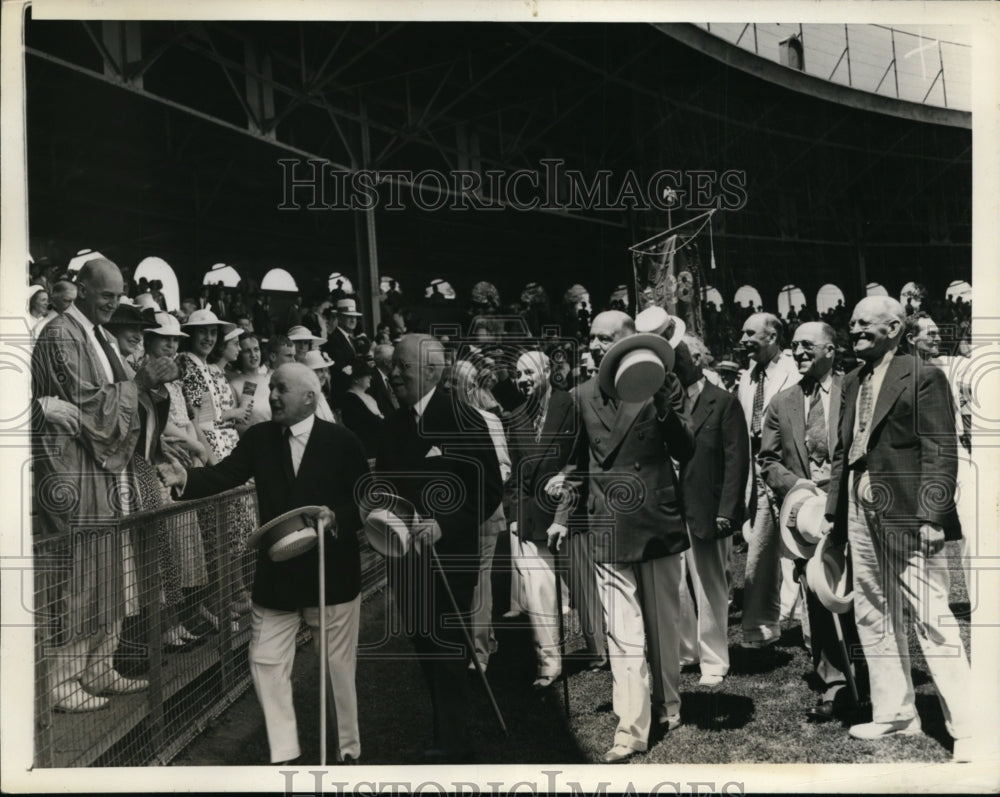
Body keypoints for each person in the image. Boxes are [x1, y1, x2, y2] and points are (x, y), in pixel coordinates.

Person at [158, 363, 369, 764]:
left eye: (281, 389)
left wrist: (337, 516)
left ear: (310, 397)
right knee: (264, 660)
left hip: (333, 575)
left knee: (337, 669)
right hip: (277, 574)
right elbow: (223, 476)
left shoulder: (343, 441)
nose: (272, 395)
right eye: (271, 387)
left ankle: (346, 752)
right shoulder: (259, 438)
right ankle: (285, 754)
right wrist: (184, 479)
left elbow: (365, 499)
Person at [822, 297, 973, 762]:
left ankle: (969, 725)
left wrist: (932, 516)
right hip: (858, 503)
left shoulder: (923, 374)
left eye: (865, 323)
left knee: (931, 616)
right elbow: (844, 450)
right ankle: (896, 713)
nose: (855, 330)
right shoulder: (851, 380)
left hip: (907, 509)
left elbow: (939, 449)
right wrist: (834, 513)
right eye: (851, 324)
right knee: (872, 608)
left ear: (894, 327)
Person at [31, 257, 176, 712]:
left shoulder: (96, 335)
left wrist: (144, 387)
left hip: (102, 469)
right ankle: (63, 678)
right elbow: (88, 404)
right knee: (82, 573)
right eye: (105, 296)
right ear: (82, 289)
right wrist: (138, 383)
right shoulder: (61, 334)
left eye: (118, 296)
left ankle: (98, 665)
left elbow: (114, 399)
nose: (113, 304)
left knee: (110, 570)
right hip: (74, 468)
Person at [555, 310, 694, 763]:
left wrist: (664, 409)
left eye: (604, 338)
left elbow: (686, 448)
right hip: (608, 525)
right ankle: (631, 728)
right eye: (591, 338)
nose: (595, 345)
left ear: (627, 340)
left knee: (662, 623)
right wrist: (561, 517)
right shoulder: (579, 396)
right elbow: (574, 465)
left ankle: (668, 703)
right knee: (623, 631)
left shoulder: (661, 384)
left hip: (656, 520)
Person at [374, 334, 502, 763]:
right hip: (405, 559)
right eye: (393, 367)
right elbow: (385, 489)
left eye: (402, 368)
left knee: (446, 646)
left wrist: (445, 524)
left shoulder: (466, 419)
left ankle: (453, 740)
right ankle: (446, 726)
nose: (393, 375)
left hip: (451, 558)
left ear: (432, 371)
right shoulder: (391, 426)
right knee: (424, 644)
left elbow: (488, 490)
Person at [758, 321, 868, 721]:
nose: (799, 351)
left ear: (831, 348)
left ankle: (870, 678)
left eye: (808, 345)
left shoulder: (854, 390)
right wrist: (798, 486)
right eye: (795, 346)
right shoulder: (782, 402)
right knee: (819, 593)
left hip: (853, 506)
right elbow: (767, 459)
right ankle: (834, 683)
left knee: (860, 592)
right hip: (806, 513)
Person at [508, 350, 607, 688]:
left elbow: (581, 460)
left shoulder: (572, 406)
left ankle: (600, 648)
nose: (522, 381)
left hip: (572, 513)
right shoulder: (516, 417)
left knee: (584, 586)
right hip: (531, 520)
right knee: (539, 595)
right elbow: (517, 475)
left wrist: (564, 509)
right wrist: (515, 517)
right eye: (517, 375)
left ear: (548, 371)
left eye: (528, 373)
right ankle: (549, 663)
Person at [674, 336, 749, 689]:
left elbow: (737, 462)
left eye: (679, 356)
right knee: (676, 585)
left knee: (710, 586)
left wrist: (728, 513)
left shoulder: (724, 403)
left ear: (700, 360)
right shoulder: (664, 404)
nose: (673, 364)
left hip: (708, 509)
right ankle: (686, 650)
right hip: (670, 510)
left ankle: (714, 659)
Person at [737, 312, 801, 649]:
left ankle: (808, 621)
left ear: (773, 335)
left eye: (750, 333)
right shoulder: (748, 377)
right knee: (760, 550)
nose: (743, 339)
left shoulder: (794, 370)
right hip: (758, 471)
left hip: (789, 471)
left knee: (800, 546)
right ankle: (761, 629)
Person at [449, 358, 511, 673]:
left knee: (479, 580)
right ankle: (486, 639)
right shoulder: (442, 421)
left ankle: (480, 650)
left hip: (483, 511)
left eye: (458, 384)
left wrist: (477, 491)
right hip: (453, 516)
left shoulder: (488, 420)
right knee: (466, 579)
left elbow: (503, 467)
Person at [339, 357, 384, 457]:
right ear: (355, 379)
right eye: (367, 375)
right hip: (367, 451)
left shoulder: (368, 396)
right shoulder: (350, 400)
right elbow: (363, 427)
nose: (370, 378)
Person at [228, 333, 272, 429]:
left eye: (256, 349)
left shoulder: (269, 379)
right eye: (247, 351)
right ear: (239, 354)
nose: (253, 355)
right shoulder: (234, 385)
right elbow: (233, 423)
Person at [301, 349, 338, 423]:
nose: (325, 375)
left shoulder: (320, 395)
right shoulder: (304, 399)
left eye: (326, 370)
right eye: (320, 371)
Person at [367, 343, 398, 417]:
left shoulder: (391, 377)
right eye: (394, 360)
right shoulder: (371, 380)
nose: (396, 363)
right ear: (386, 362)